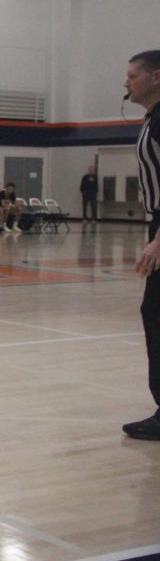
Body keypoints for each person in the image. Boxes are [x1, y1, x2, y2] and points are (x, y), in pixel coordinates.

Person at [125, 49, 160, 440]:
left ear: (156, 77)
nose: (126, 82)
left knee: (156, 313)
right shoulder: (153, 118)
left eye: (133, 76)